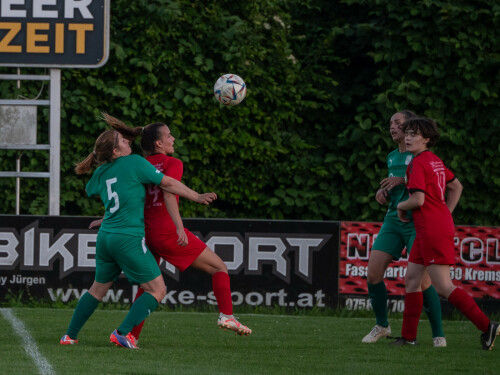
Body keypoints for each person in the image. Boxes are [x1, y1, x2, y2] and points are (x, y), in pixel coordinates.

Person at [59, 114, 217, 349]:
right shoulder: (133, 162)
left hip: (106, 238)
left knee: (97, 290)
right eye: (122, 141)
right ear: (115, 151)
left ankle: (69, 336)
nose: (128, 142)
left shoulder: (101, 173)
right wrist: (197, 196)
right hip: (128, 238)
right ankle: (122, 333)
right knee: (157, 290)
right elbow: (168, 184)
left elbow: (93, 188)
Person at [102, 118, 251, 337]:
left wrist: (105, 219)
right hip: (166, 231)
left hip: (144, 233)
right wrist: (179, 227)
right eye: (169, 135)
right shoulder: (173, 163)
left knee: (148, 287)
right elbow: (168, 191)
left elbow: (126, 196)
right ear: (159, 144)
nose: (173, 138)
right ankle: (226, 315)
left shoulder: (137, 165)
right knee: (219, 267)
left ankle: (129, 335)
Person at [390, 117, 499, 350]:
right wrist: (445, 213)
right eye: (407, 133)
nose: (408, 137)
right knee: (411, 280)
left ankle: (487, 325)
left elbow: (418, 199)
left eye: (414, 134)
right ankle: (408, 337)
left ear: (427, 139)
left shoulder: (419, 162)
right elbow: (456, 186)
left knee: (443, 287)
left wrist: (400, 206)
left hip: (431, 230)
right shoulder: (434, 160)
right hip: (430, 228)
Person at [362, 111, 446, 347]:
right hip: (393, 218)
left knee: (423, 282)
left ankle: (438, 334)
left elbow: (432, 184)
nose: (392, 127)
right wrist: (383, 192)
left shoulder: (422, 156)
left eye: (398, 123)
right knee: (373, 273)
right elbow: (396, 187)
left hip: (417, 221)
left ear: (411, 128)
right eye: (390, 123)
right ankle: (382, 325)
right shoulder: (391, 157)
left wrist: (402, 181)